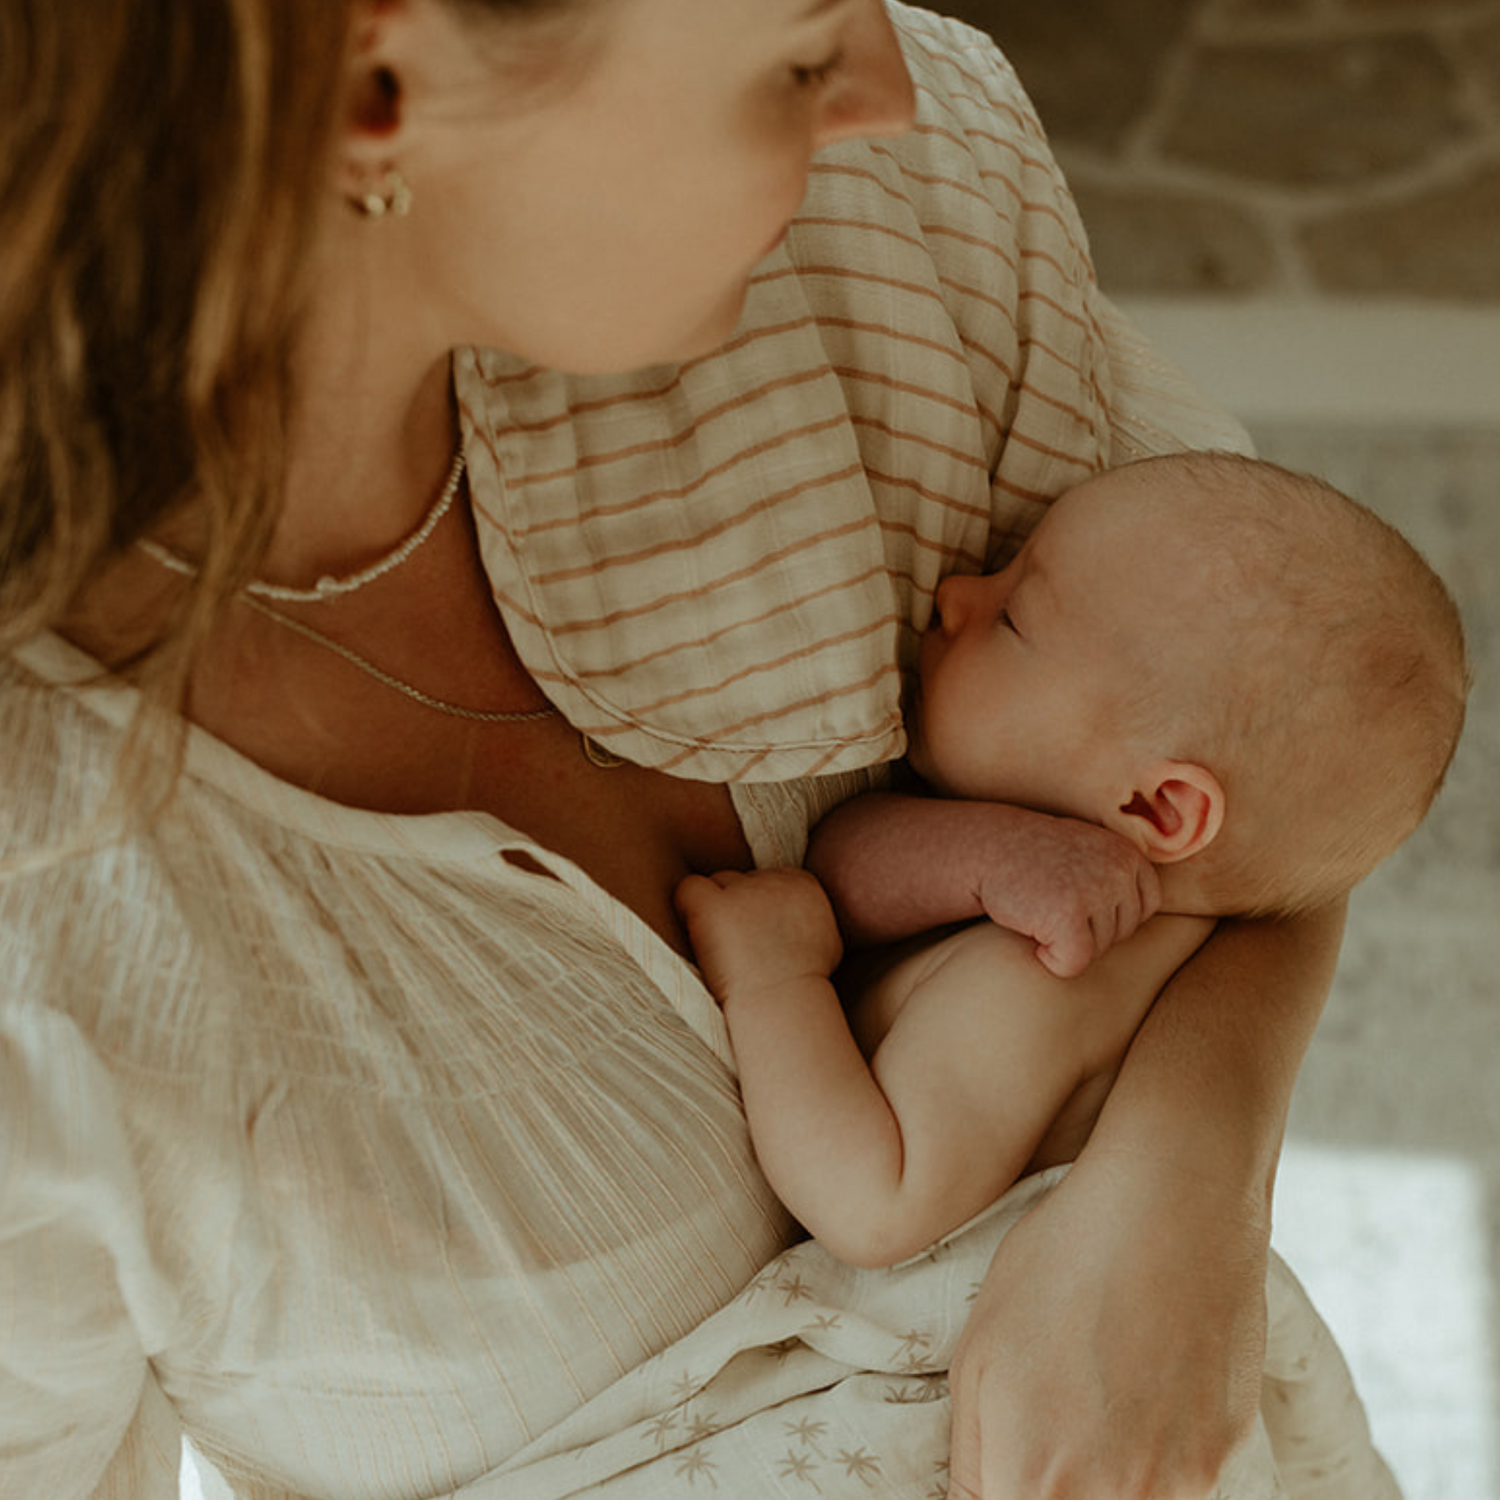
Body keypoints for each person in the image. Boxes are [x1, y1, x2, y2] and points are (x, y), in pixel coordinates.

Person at [0, 2, 1403, 1497]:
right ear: (380, 89)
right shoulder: (49, 917)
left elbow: (1290, 775)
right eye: (800, 51)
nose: (881, 83)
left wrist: (1183, 1184)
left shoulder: (905, 215)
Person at [676, 450, 1470, 1270]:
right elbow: (833, 871)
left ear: (1155, 808)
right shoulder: (1056, 874)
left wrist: (776, 983)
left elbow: (876, 1205)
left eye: (1014, 614)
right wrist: (984, 852)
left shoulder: (1051, 980)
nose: (956, 595)